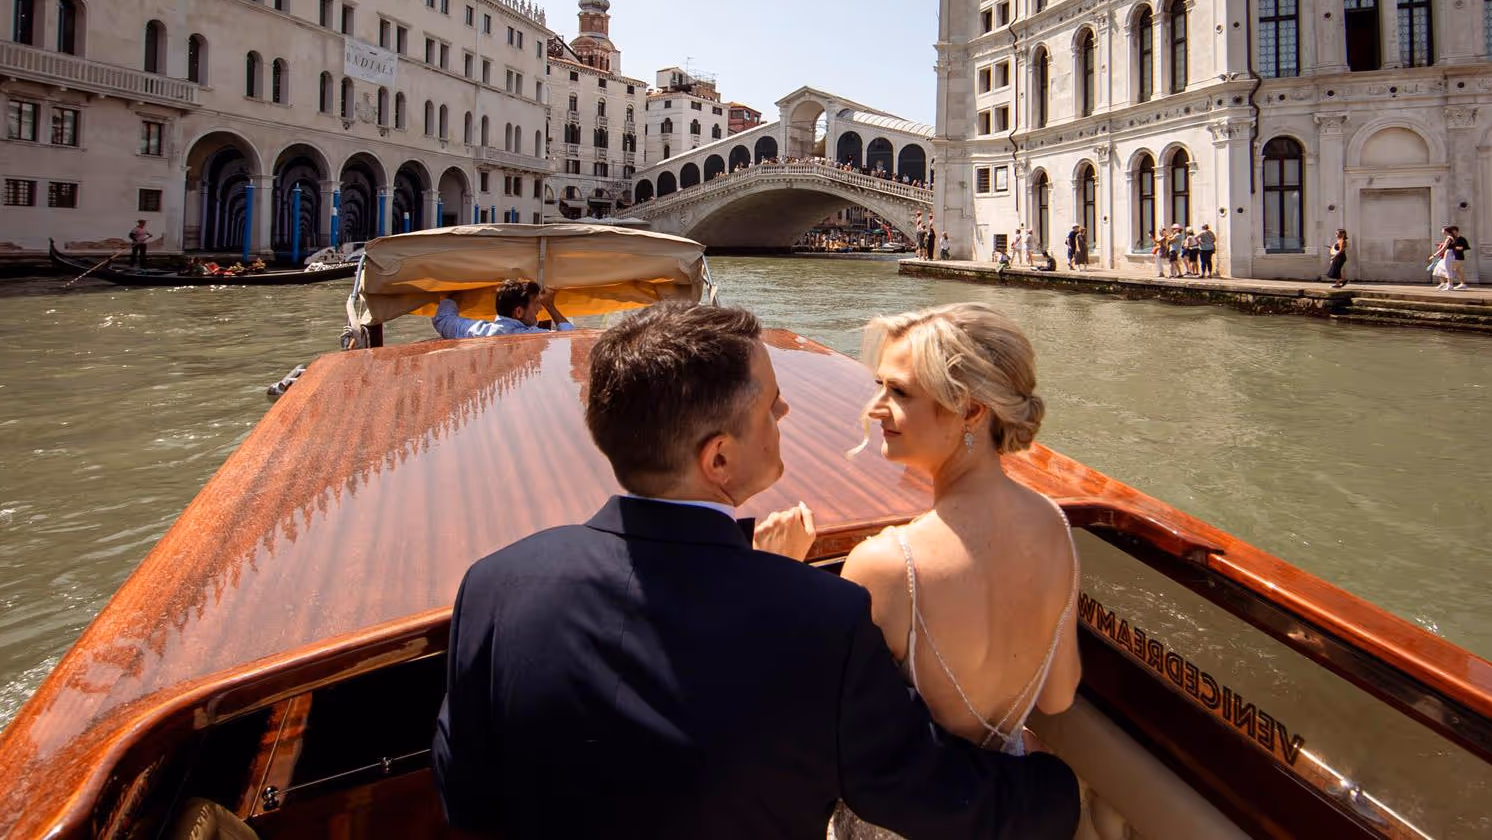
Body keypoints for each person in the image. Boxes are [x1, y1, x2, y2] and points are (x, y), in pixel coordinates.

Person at [433, 303, 1081, 839]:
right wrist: (1054, 794)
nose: (786, 416)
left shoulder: (491, 589)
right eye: (771, 407)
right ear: (718, 458)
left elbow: (463, 794)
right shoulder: (820, 622)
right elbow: (915, 788)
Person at [826, 304, 1082, 840]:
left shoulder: (887, 564)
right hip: (1006, 809)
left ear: (969, 411)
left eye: (899, 392)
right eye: (880, 387)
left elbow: (833, 738)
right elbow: (1057, 698)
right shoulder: (1054, 527)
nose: (875, 408)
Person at [432, 279, 572, 339]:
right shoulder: (532, 336)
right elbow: (571, 338)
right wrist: (550, 306)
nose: (539, 308)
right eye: (536, 303)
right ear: (518, 312)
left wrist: (457, 295)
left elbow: (442, 319)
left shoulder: (478, 332)